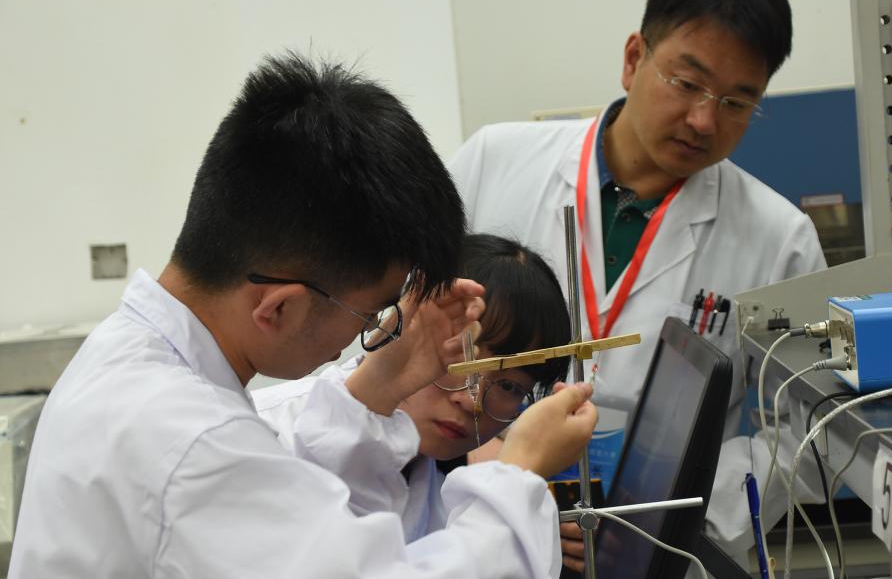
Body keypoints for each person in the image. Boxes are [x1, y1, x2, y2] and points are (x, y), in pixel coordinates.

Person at [10, 53, 597, 578]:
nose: (372, 330)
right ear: (281, 306)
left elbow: (302, 507)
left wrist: (379, 388)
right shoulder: (192, 442)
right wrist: (517, 476)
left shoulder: (132, 350)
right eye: (372, 312)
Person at [447, 0, 828, 567]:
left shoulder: (780, 239)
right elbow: (397, 330)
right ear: (633, 59)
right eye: (687, 83)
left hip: (659, 550)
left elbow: (805, 434)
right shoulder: (493, 162)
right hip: (476, 524)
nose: (703, 120)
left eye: (737, 102)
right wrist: (483, 473)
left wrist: (665, 515)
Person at [254, 233, 572, 540]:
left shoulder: (455, 494)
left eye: (509, 386)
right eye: (461, 359)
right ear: (408, 316)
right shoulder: (262, 433)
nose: (470, 401)